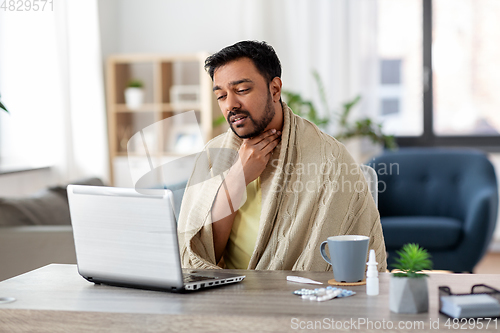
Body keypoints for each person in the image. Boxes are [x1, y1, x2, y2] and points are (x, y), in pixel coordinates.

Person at [178, 40, 387, 271]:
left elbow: (356, 267)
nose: (230, 105)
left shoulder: (331, 158)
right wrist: (237, 178)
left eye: (242, 90)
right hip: (227, 298)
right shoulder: (211, 157)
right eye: (221, 96)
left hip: (303, 300)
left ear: (275, 89)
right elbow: (200, 258)